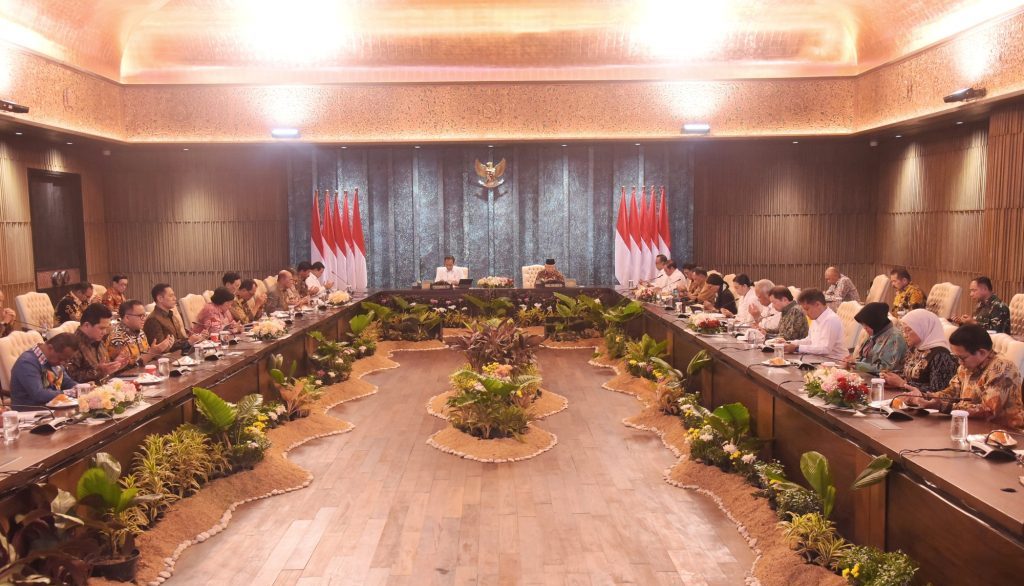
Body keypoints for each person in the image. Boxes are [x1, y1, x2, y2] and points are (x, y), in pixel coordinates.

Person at [907, 325, 1023, 429]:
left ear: (982, 352)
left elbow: (988, 411)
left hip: (1004, 432)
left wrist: (942, 406)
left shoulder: (1002, 368)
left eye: (962, 358)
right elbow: (952, 392)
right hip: (971, 427)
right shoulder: (966, 366)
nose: (959, 362)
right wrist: (925, 397)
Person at [881, 309, 957, 394]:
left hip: (927, 405)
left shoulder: (941, 355)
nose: (904, 334)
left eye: (908, 330)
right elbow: (909, 375)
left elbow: (938, 390)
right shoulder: (914, 349)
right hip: (908, 398)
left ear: (923, 328)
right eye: (903, 330)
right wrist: (890, 377)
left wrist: (902, 384)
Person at [9, 332, 80, 410]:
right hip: (31, 414)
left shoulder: (54, 361)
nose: (62, 363)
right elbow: (39, 394)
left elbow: (66, 382)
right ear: (50, 348)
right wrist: (69, 393)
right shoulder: (27, 363)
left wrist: (80, 388)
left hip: (56, 409)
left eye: (66, 360)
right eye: (61, 359)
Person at [66, 303, 130, 383]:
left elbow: (104, 369)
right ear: (86, 325)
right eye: (101, 328)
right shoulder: (72, 345)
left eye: (106, 328)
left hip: (107, 388)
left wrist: (114, 365)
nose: (105, 332)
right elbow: (70, 378)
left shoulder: (98, 340)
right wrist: (99, 372)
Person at [784, 288, 847, 361]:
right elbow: (810, 340)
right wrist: (789, 343)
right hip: (818, 359)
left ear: (818, 304)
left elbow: (825, 349)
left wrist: (797, 348)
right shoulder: (816, 317)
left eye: (807, 309)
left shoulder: (831, 319)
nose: (806, 313)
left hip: (835, 362)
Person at [846, 302, 907, 375]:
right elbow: (863, 358)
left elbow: (885, 369)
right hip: (865, 376)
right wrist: (852, 362)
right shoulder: (876, 332)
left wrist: (858, 365)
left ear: (875, 322)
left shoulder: (895, 337)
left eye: (867, 325)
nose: (865, 328)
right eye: (863, 325)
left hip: (882, 382)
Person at [107, 300, 172, 365]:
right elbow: (125, 369)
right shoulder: (117, 338)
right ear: (127, 318)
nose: (144, 318)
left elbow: (147, 356)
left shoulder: (140, 332)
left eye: (145, 315)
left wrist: (161, 349)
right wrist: (151, 353)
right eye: (140, 316)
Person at [144, 283, 204, 353]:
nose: (175, 298)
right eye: (171, 296)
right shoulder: (153, 320)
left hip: (181, 353)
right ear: (160, 298)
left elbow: (180, 339)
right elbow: (160, 349)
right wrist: (189, 341)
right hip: (168, 359)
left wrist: (197, 338)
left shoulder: (171, 315)